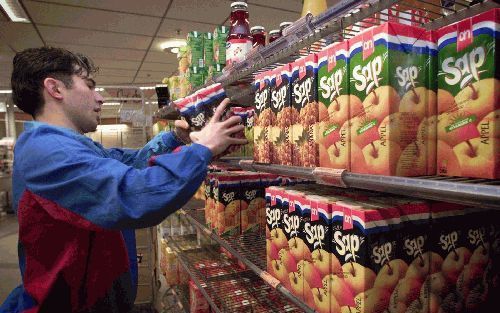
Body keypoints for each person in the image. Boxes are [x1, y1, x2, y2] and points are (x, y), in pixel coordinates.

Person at [0, 47, 247, 313]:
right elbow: (133, 194)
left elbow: (129, 164)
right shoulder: (48, 151)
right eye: (90, 85)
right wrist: (203, 149)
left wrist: (177, 138)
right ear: (55, 88)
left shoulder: (67, 146)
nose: (100, 97)